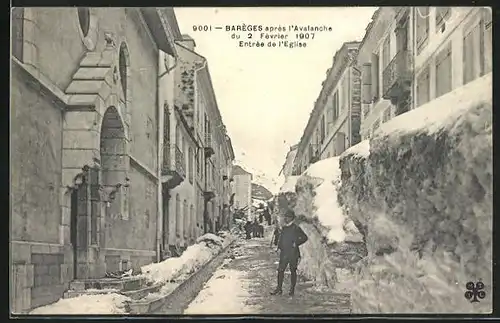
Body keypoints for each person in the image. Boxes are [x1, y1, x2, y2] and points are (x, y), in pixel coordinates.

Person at [270, 210, 308, 296]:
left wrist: (296, 242)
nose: (285, 218)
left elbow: (305, 237)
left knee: (293, 271)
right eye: (285, 217)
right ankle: (279, 289)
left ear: (291, 218)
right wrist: (279, 248)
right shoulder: (284, 228)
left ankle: (292, 290)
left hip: (293, 253)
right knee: (280, 270)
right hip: (284, 253)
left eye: (287, 217)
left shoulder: (296, 228)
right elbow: (281, 239)